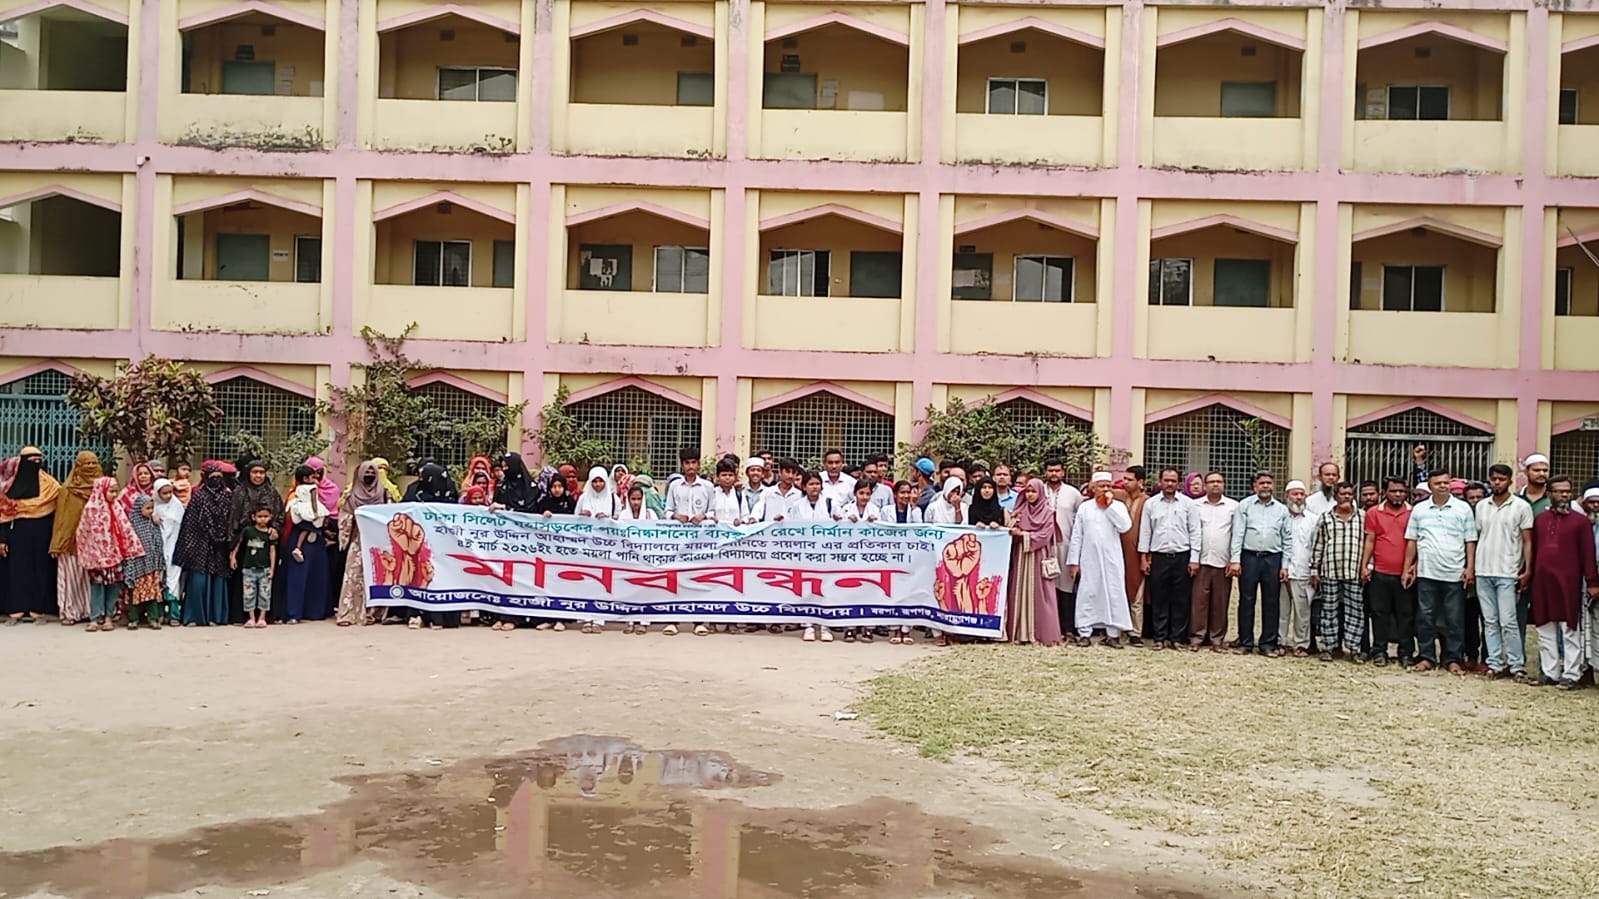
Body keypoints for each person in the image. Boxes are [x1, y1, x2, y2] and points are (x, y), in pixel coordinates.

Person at [1402, 469, 1478, 675]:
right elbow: (1412, 540)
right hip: (1427, 572)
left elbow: (1470, 541)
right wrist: (1407, 568)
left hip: (1454, 573)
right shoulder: (1420, 509)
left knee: (1454, 619)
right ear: (1430, 486)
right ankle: (1427, 657)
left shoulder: (1462, 508)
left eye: (1446, 482)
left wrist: (1470, 568)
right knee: (1425, 617)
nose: (1443, 486)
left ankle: (1454, 659)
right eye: (1438, 483)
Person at [1528, 476, 1596, 689]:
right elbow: (1534, 550)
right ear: (1549, 493)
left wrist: (1592, 582)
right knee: (1544, 627)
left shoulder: (1581, 522)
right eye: (1559, 491)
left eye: (1567, 491)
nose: (1564, 495)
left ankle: (1572, 674)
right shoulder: (1540, 520)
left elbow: (1588, 554)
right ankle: (1550, 673)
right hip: (1543, 582)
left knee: (1570, 629)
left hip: (1569, 583)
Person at [1473, 463, 1534, 681]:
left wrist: (1527, 569)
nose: (1497, 483)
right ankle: (1495, 664)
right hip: (1483, 571)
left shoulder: (1521, 506)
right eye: (1494, 479)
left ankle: (1517, 666)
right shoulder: (1482, 506)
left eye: (1501, 479)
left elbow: (1527, 541)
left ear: (1510, 481)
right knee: (1489, 621)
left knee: (1508, 621)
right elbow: (1477, 537)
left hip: (1508, 572)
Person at [1229, 471, 1292, 657]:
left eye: (1268, 483)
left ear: (1273, 485)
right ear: (1255, 486)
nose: (1265, 486)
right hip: (1249, 557)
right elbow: (1238, 534)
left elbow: (1287, 539)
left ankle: (1268, 644)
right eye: (1262, 483)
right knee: (1246, 600)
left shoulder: (1282, 510)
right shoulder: (1244, 505)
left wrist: (1285, 565)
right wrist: (1235, 560)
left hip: (1273, 559)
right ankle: (1245, 642)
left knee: (1271, 601)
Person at [1067, 472, 1133, 647]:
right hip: (1089, 559)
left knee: (1113, 593)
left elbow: (1125, 526)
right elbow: (1077, 536)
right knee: (1088, 593)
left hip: (1112, 559)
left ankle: (1113, 634)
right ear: (1093, 488)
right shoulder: (1085, 508)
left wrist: (1109, 506)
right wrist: (1074, 561)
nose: (1105, 489)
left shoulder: (1118, 506)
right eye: (1101, 486)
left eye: (1108, 486)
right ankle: (1084, 633)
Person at [1137, 467, 1196, 650]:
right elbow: (1145, 532)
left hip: (1182, 556)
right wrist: (1143, 558)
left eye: (1173, 481)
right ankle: (1159, 638)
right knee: (1159, 598)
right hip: (1159, 557)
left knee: (1181, 599)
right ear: (1160, 482)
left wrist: (1194, 559)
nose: (1169, 484)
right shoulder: (1151, 504)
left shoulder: (1188, 504)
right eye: (1166, 480)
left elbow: (1195, 532)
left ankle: (1177, 638)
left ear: (1178, 483)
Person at [75, 476, 143, 632]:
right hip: (96, 557)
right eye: (111, 491)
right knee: (97, 586)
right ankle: (94, 618)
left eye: (115, 491)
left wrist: (131, 547)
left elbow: (125, 528)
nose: (114, 494)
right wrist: (86, 552)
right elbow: (83, 532)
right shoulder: (90, 509)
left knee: (113, 586)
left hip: (114, 555)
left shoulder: (117, 507)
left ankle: (108, 617)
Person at [2, 447, 61, 625]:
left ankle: (38, 610)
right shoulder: (9, 486)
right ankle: (16, 609)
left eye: (38, 460)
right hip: (17, 533)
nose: (35, 464)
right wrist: (2, 539)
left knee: (40, 569)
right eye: (31, 460)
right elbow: (2, 514)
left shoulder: (50, 485)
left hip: (42, 533)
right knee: (17, 570)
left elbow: (57, 511)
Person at [1362, 477, 1415, 667]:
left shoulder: (1413, 513)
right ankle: (1379, 651)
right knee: (1379, 613)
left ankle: (1406, 653)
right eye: (1393, 491)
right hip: (1380, 572)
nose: (1398, 494)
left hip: (1405, 574)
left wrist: (1413, 567)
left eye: (1401, 491)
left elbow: (1416, 542)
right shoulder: (1373, 512)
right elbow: (1370, 540)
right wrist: (1364, 565)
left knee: (1406, 614)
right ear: (1384, 492)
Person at [1310, 482, 1364, 662]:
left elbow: (1368, 543)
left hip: (1353, 571)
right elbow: (1318, 545)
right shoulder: (1326, 518)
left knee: (1355, 609)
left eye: (1350, 493)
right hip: (1330, 570)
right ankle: (1328, 647)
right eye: (1343, 494)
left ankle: (1354, 648)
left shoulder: (1362, 517)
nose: (1346, 497)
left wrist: (1368, 566)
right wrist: (1314, 569)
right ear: (1335, 496)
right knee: (1329, 609)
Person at [173, 463, 232, 626]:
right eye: (213, 477)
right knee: (199, 581)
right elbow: (191, 524)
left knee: (218, 582)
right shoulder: (199, 497)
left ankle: (216, 617)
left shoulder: (227, 496)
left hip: (221, 548)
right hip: (201, 546)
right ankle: (195, 616)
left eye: (219, 477)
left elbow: (231, 520)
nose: (216, 481)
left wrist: (223, 538)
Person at [47, 450, 102, 626]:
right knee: (71, 578)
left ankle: (91, 611)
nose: (91, 467)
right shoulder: (68, 490)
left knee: (92, 579)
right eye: (87, 463)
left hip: (95, 542)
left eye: (94, 463)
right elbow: (61, 518)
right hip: (71, 542)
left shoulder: (102, 488)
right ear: (78, 466)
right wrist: (57, 543)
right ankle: (70, 612)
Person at [1009, 480, 1062, 646]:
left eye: (1033, 491)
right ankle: (1020, 632)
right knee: (1019, 589)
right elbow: (1010, 529)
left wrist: (1023, 535)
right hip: (1021, 557)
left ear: (1040, 493)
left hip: (1039, 555)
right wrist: (1012, 523)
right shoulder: (1021, 510)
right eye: (1027, 491)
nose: (1030, 495)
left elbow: (1046, 535)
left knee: (1041, 591)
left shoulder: (1048, 512)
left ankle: (1041, 632)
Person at [336, 460, 389, 627]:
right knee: (354, 576)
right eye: (366, 472)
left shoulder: (385, 494)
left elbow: (390, 516)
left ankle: (374, 613)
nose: (370, 475)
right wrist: (353, 519)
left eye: (373, 472)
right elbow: (344, 517)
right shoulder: (351, 496)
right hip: (358, 540)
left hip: (378, 542)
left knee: (377, 575)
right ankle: (349, 614)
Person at [1187, 471, 1236, 651]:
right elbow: (1192, 532)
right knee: (1198, 602)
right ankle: (1197, 638)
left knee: (1220, 602)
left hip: (1223, 561)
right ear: (1205, 486)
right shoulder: (1195, 506)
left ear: (1224, 485)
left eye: (1219, 482)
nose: (1215, 484)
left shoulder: (1233, 506)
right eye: (1211, 482)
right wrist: (1193, 558)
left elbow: (1236, 534)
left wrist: (1234, 559)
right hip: (1200, 560)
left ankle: (1217, 639)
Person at [1040, 458, 1083, 631]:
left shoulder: (1073, 493)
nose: (1054, 474)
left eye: (1057, 470)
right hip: (1043, 547)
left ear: (1063, 472)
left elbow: (1081, 519)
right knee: (1045, 587)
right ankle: (1046, 627)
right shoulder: (1038, 490)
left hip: (1066, 545)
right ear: (1045, 472)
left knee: (1066, 587)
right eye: (1050, 470)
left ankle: (1067, 629)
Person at [283, 482, 331, 624]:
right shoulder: (295, 504)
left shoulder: (320, 506)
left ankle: (315, 611)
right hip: (299, 543)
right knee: (297, 577)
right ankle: (294, 612)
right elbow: (296, 520)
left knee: (317, 576)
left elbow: (321, 520)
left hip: (316, 545)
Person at [1282, 480, 1318, 657]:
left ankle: (1301, 644)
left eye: (1301, 494)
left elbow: (1316, 546)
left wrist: (1314, 570)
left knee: (1303, 612)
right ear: (1286, 496)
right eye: (1294, 494)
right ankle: (1280, 642)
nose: (1298, 498)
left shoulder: (1313, 520)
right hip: (1282, 571)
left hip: (1303, 571)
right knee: (1281, 611)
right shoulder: (1280, 517)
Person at [1116, 466, 1149, 645]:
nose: (1125, 482)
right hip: (1118, 553)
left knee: (1137, 595)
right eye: (1124, 479)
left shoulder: (1148, 502)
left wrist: (1146, 557)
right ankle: (1117, 629)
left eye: (1129, 480)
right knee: (1118, 591)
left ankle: (1135, 632)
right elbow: (1094, 490)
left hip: (1138, 554)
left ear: (1140, 482)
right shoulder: (1119, 496)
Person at [124, 494, 167, 630]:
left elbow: (158, 542)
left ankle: (153, 618)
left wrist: (158, 562)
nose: (150, 511)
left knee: (152, 592)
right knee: (134, 593)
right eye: (147, 508)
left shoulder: (152, 524)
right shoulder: (132, 525)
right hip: (137, 565)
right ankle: (133, 619)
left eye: (152, 508)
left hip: (151, 566)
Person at [232, 506, 277, 629]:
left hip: (265, 569)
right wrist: (233, 557)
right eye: (259, 516)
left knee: (265, 594)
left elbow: (272, 551)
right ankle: (251, 618)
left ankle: (262, 618)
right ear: (253, 517)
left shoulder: (270, 534)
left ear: (270, 517)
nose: (262, 519)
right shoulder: (248, 531)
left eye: (265, 516)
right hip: (249, 569)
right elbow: (239, 544)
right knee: (248, 594)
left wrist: (272, 569)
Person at [151, 478, 185, 625]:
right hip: (158, 549)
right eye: (164, 493)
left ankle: (173, 615)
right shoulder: (153, 505)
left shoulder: (177, 506)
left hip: (174, 548)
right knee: (159, 580)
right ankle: (159, 613)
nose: (168, 496)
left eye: (170, 492)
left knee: (173, 580)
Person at [665, 446, 712, 525]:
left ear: (698, 464)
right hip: (679, 529)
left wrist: (703, 516)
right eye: (687, 463)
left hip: (702, 529)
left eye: (693, 462)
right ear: (682, 465)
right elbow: (668, 511)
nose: (691, 466)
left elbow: (712, 511)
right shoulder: (674, 486)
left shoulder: (708, 486)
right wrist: (676, 516)